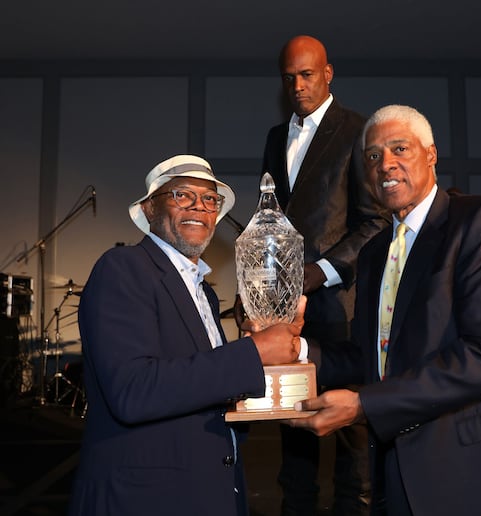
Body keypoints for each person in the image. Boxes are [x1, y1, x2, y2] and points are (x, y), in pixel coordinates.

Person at [289, 105, 481, 515]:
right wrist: (296, 351)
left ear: (431, 154)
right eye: (372, 156)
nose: (385, 164)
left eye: (399, 149)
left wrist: (365, 405)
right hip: (401, 468)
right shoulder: (372, 253)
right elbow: (369, 356)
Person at [68, 155, 306, 516]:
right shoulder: (124, 268)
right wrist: (253, 352)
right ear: (149, 209)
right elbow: (134, 391)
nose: (199, 206)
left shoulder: (204, 293)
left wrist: (276, 388)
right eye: (182, 195)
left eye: (210, 199)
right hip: (144, 501)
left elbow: (202, 388)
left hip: (206, 494)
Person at [238, 35, 389, 515]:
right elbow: (270, 222)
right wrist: (261, 290)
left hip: (341, 305)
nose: (298, 86)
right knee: (293, 428)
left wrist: (317, 274)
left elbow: (376, 222)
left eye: (307, 75)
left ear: (328, 73)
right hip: (286, 310)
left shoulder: (360, 131)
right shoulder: (272, 137)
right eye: (289, 78)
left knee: (352, 441)